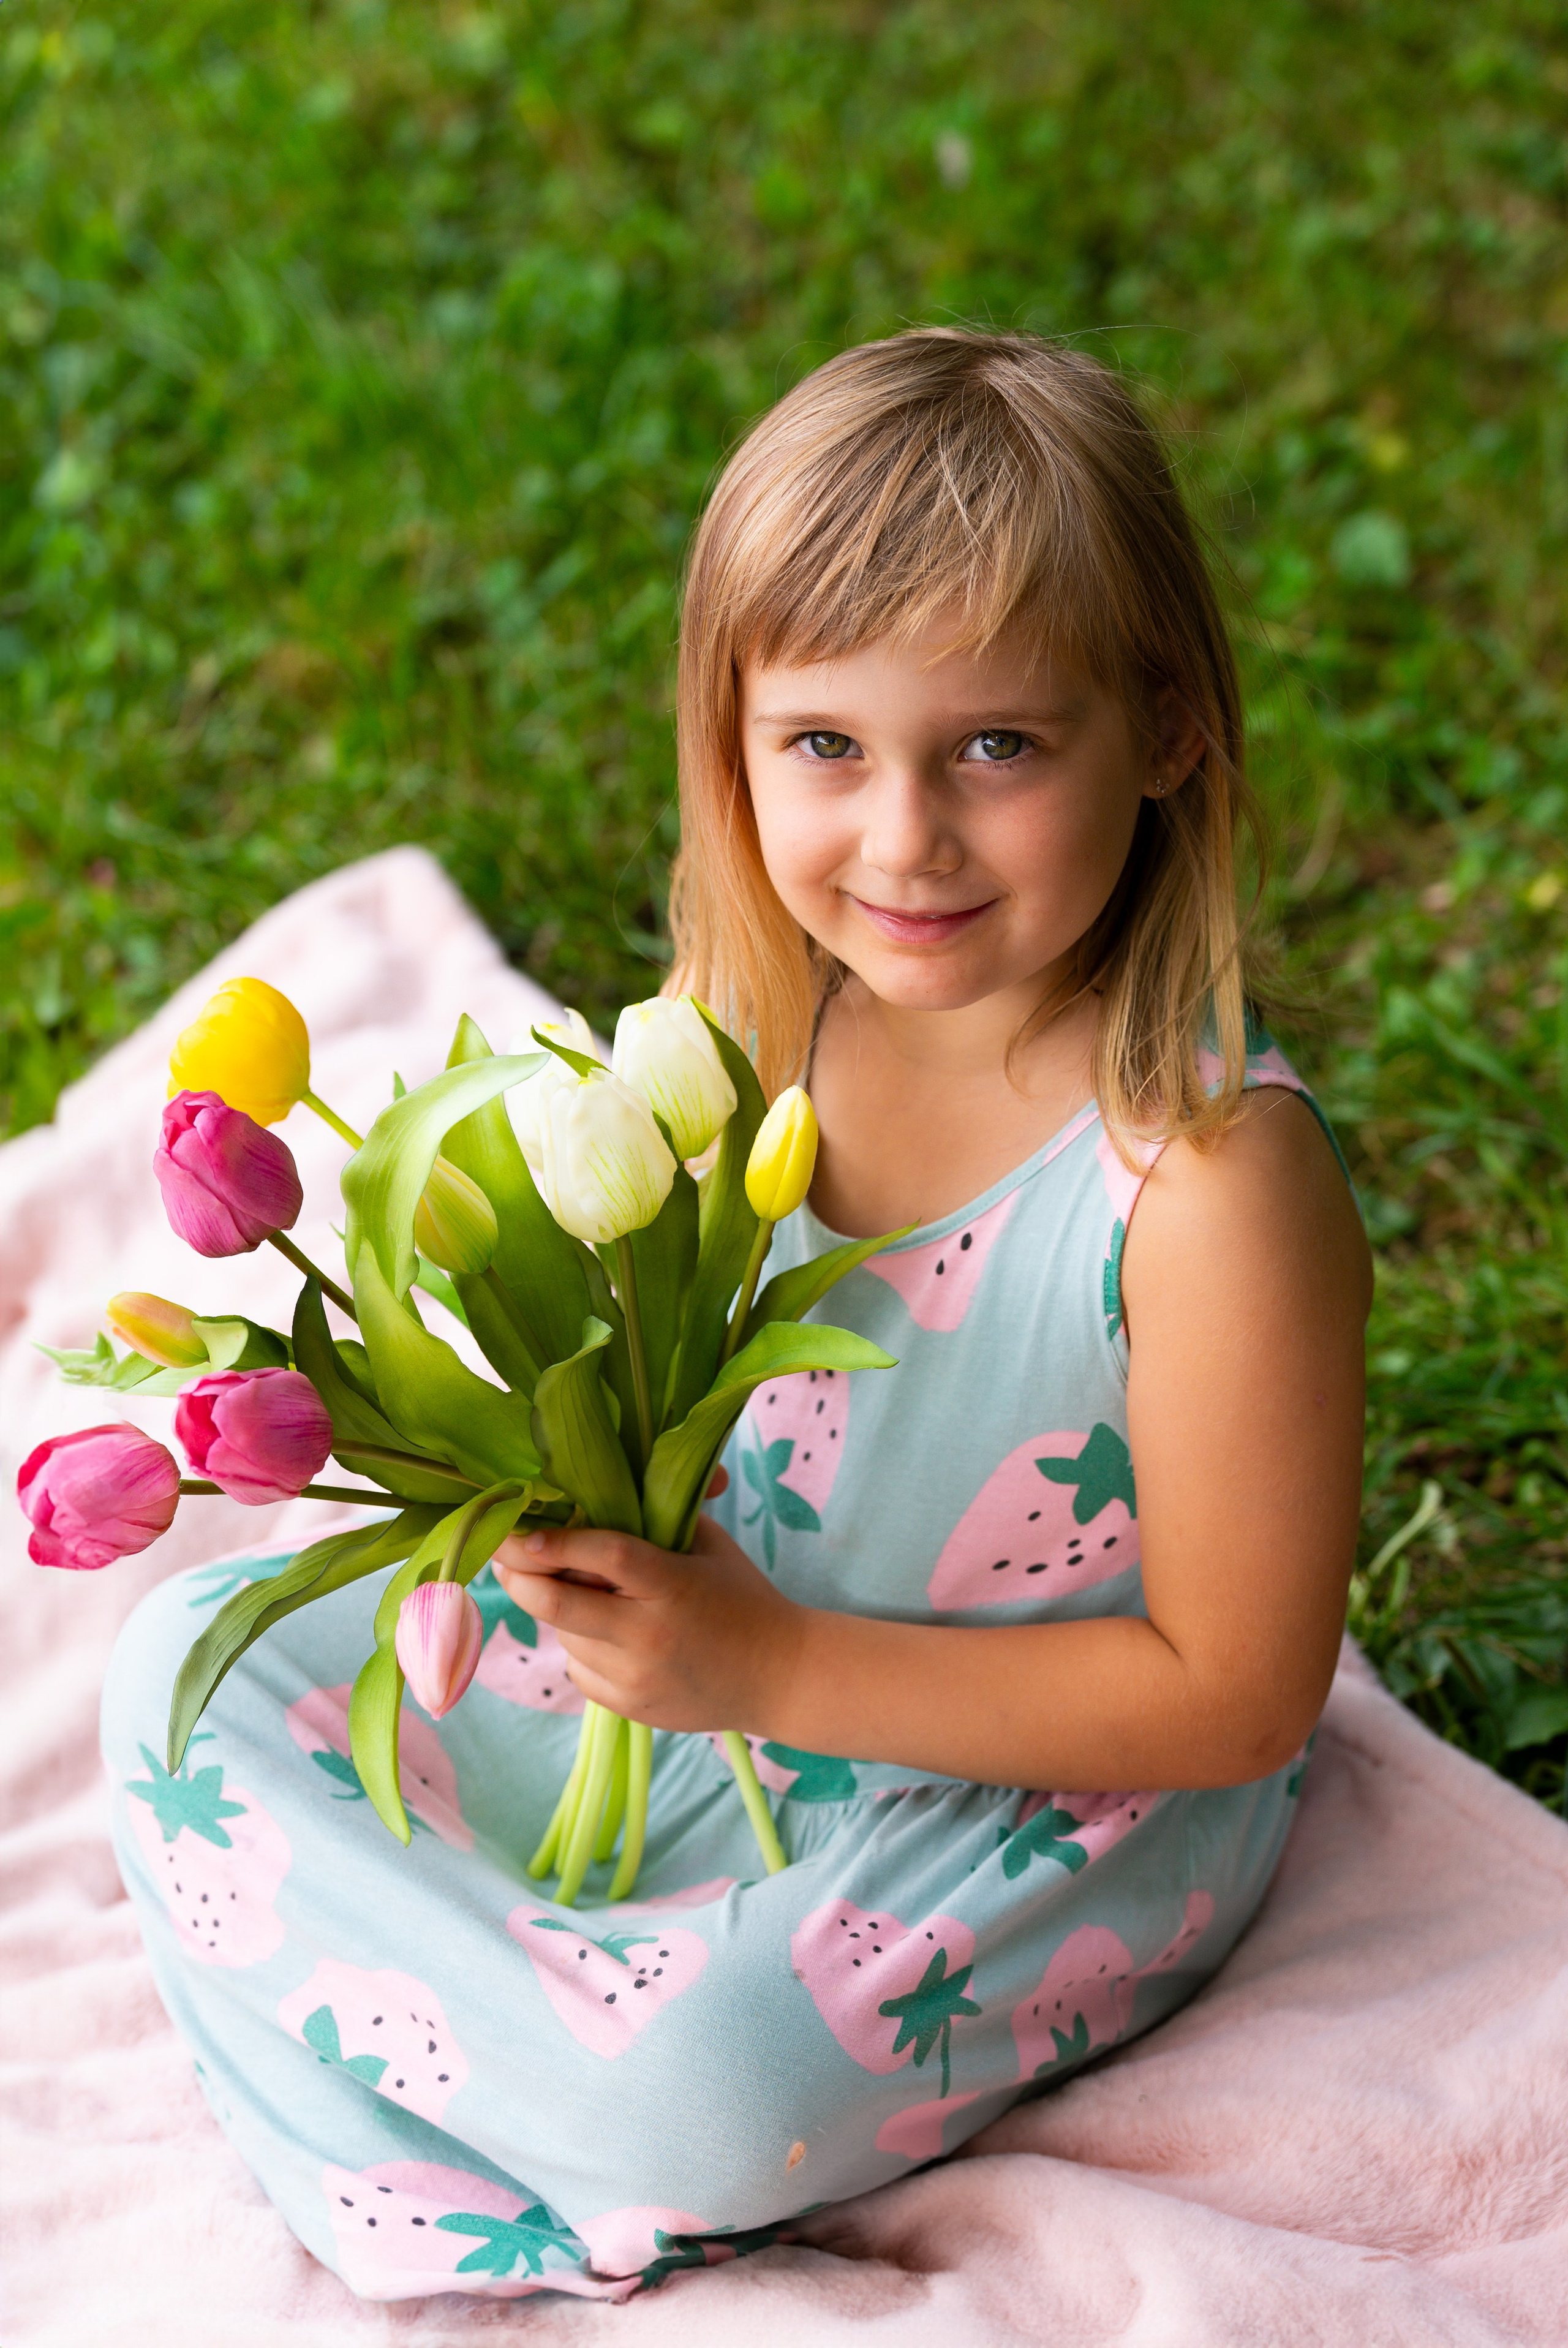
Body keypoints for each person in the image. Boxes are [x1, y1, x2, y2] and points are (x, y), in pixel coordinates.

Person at [101, 328, 1370, 2303]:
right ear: (734, 741)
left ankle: (555, 2102)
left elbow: (1237, 1692)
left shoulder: (1204, 1187)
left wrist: (768, 1667)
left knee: (716, 2079)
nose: (905, 840)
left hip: (1019, 1780)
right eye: (828, 748)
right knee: (182, 1667)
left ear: (1173, 725)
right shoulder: (773, 1022)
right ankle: (543, 2056)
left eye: (1001, 747)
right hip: (719, 1631)